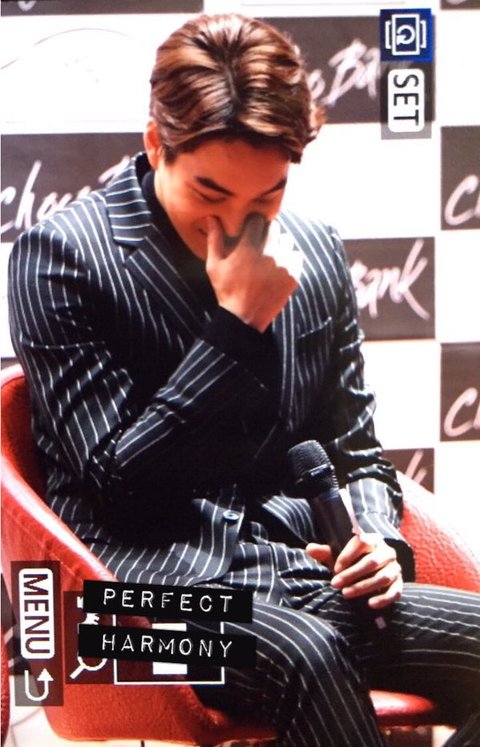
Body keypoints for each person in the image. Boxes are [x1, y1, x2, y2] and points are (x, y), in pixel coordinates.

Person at [8, 13, 479, 746]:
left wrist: (377, 541)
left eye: (265, 200)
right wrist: (236, 326)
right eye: (209, 194)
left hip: (292, 577)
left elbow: (354, 450)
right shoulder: (61, 258)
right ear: (155, 143)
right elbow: (115, 485)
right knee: (307, 654)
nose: (233, 226)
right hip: (126, 610)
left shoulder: (313, 252)